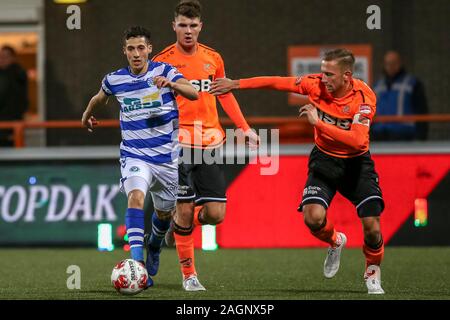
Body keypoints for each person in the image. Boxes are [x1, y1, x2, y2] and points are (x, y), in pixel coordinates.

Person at [210, 48, 386, 294]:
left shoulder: (364, 97)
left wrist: (318, 123)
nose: (323, 78)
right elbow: (276, 82)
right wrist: (236, 84)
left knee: (372, 227)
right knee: (312, 218)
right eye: (322, 72)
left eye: (329, 74)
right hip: (324, 160)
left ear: (347, 76)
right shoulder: (315, 85)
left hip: (356, 164)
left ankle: (372, 271)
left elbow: (357, 141)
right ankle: (336, 240)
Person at [151, 0, 259, 291]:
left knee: (214, 215)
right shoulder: (161, 61)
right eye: (183, 25)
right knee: (184, 209)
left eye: (193, 25)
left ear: (201, 27)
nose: (188, 31)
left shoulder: (213, 58)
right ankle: (189, 275)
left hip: (211, 142)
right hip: (178, 144)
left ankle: (180, 227)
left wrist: (244, 129)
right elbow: (152, 104)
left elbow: (225, 95)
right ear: (174, 26)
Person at [81, 26, 198, 288]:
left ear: (149, 49)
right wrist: (86, 114)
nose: (136, 53)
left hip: (167, 159)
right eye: (131, 48)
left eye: (141, 48)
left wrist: (172, 84)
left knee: (164, 215)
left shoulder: (164, 71)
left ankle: (154, 246)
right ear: (124, 51)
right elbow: (99, 97)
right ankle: (138, 267)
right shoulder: (115, 79)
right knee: (135, 199)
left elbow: (193, 93)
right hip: (135, 155)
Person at [371, 50, 428, 141]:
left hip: (404, 136)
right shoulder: (377, 85)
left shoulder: (413, 84)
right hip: (379, 136)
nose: (390, 67)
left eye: (394, 63)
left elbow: (421, 111)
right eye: (387, 63)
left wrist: (420, 137)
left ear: (400, 63)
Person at [0, 45, 29, 146]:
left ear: (13, 58)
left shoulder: (17, 73)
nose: (2, 59)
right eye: (0, 56)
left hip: (11, 124)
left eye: (5, 56)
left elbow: (18, 101)